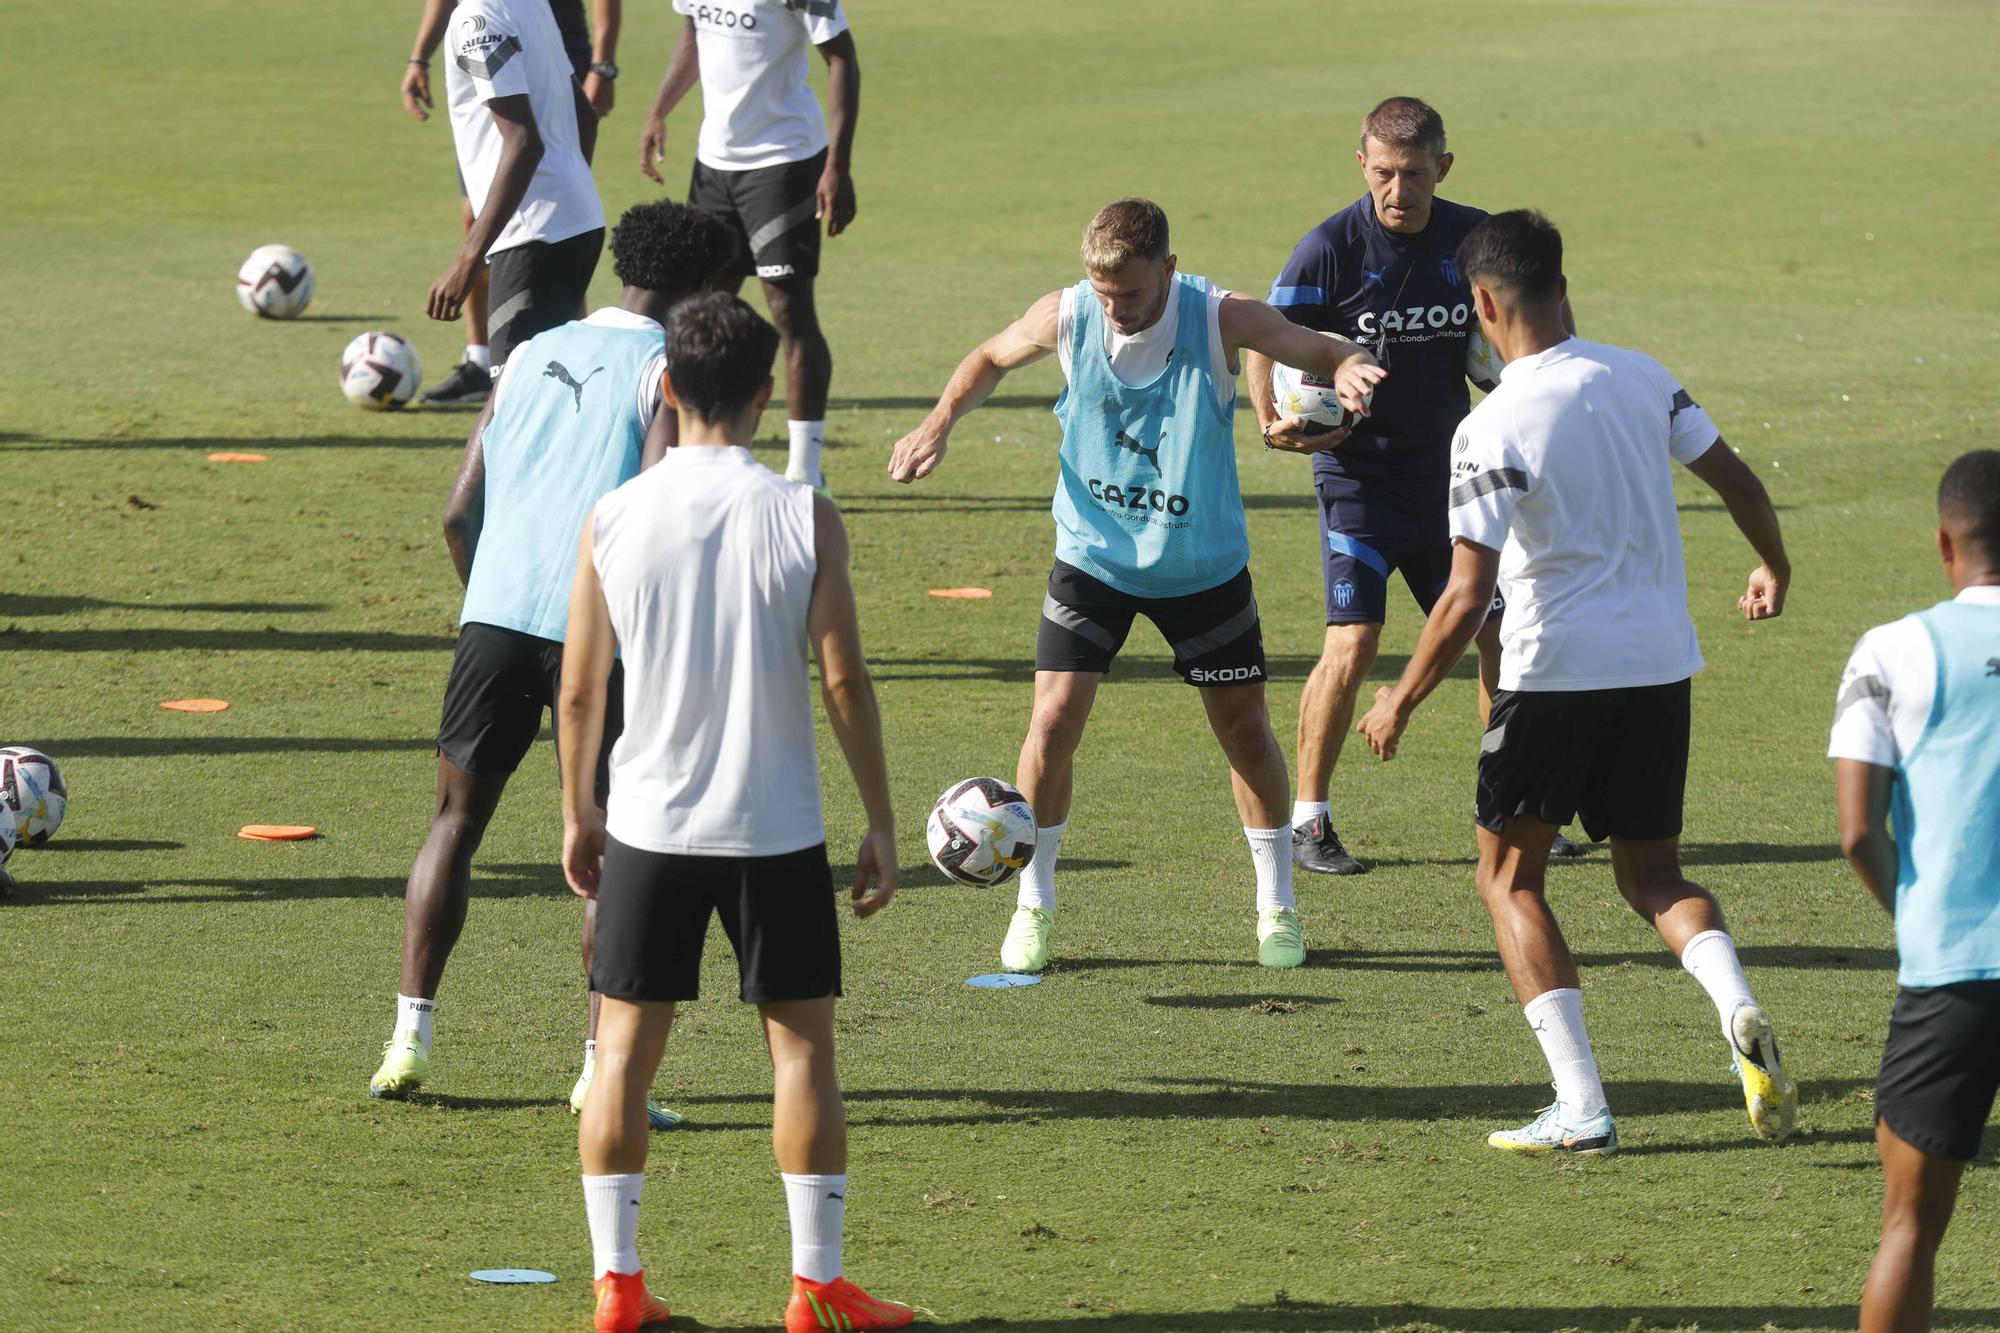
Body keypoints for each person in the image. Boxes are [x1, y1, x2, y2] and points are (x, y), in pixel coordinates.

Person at [1356, 210, 1799, 1153]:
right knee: (1655, 873)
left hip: (1552, 674)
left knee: (1508, 878)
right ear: (1563, 284)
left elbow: (1467, 594)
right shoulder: (1643, 376)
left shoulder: (1489, 426)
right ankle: (1738, 1004)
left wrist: (1400, 696)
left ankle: (1582, 1107)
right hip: (1659, 665)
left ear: (1481, 304)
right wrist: (1774, 565)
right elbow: (1743, 485)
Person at [889, 198, 1384, 974]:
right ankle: (1034, 906)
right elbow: (988, 357)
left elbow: (1305, 344)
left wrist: (1347, 361)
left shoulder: (1218, 316)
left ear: (1169, 270)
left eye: (1131, 293)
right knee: (1050, 725)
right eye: (1103, 290)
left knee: (1246, 733)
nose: (1115, 308)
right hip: (1094, 560)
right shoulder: (1068, 314)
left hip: (1202, 566)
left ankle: (1277, 904)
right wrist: (940, 419)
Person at [561, 292, 914, 1333]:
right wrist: (882, 820)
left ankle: (617, 1287)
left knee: (621, 1054)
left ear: (665, 389)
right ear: (766, 394)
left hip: (648, 825)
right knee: (801, 1052)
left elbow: (581, 688)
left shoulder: (613, 515)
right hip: (774, 829)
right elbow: (844, 681)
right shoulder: (802, 512)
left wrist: (576, 808)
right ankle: (815, 1286)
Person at [369, 200, 736, 1124]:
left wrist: (492, 594)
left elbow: (459, 510)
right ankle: (597, 1071)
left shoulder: (528, 350)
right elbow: (659, 505)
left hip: (492, 617)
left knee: (454, 821)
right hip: (602, 634)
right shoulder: (666, 371)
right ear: (698, 291)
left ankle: (407, 1039)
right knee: (613, 849)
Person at [1246, 97, 1584, 876]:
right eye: (1386, 173)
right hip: (1357, 482)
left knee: (1496, 632)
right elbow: (1262, 331)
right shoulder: (1329, 247)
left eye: (1416, 174)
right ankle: (1309, 819)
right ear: (1362, 163)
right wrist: (1269, 420)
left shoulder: (1476, 237)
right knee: (1355, 641)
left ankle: (1511, 804)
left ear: (1445, 167)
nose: (1399, 190)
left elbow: (1545, 319)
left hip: (1451, 480)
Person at [1830, 450, 2000, 1333]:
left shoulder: (1892, 649)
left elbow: (1859, 830)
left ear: (1945, 541)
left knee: (1910, 1228)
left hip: (1952, 970)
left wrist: (1922, 918)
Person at [639, 0, 860, 489]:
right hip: (712, 165)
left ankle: (805, 471)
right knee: (700, 313)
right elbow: (693, 36)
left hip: (783, 162)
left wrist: (836, 165)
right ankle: (700, 453)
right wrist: (660, 110)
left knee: (790, 312)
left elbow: (842, 56)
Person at [402, 0, 622, 403]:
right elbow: (584, 118)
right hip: (576, 224)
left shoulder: (476, 21)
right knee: (554, 400)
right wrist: (568, 192)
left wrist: (466, 260)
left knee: (513, 403)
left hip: (530, 237)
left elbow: (522, 144)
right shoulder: (530, 6)